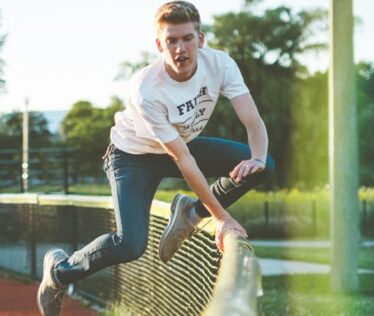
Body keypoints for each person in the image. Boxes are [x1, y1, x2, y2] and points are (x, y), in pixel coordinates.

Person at [37, 1, 274, 315]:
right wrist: (222, 217)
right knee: (130, 244)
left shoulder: (220, 64)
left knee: (264, 164)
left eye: (187, 38)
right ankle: (59, 272)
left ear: (201, 40)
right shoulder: (148, 88)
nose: (180, 48)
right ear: (159, 45)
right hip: (132, 155)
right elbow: (184, 160)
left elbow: (253, 122)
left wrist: (256, 158)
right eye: (171, 41)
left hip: (182, 144)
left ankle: (191, 212)